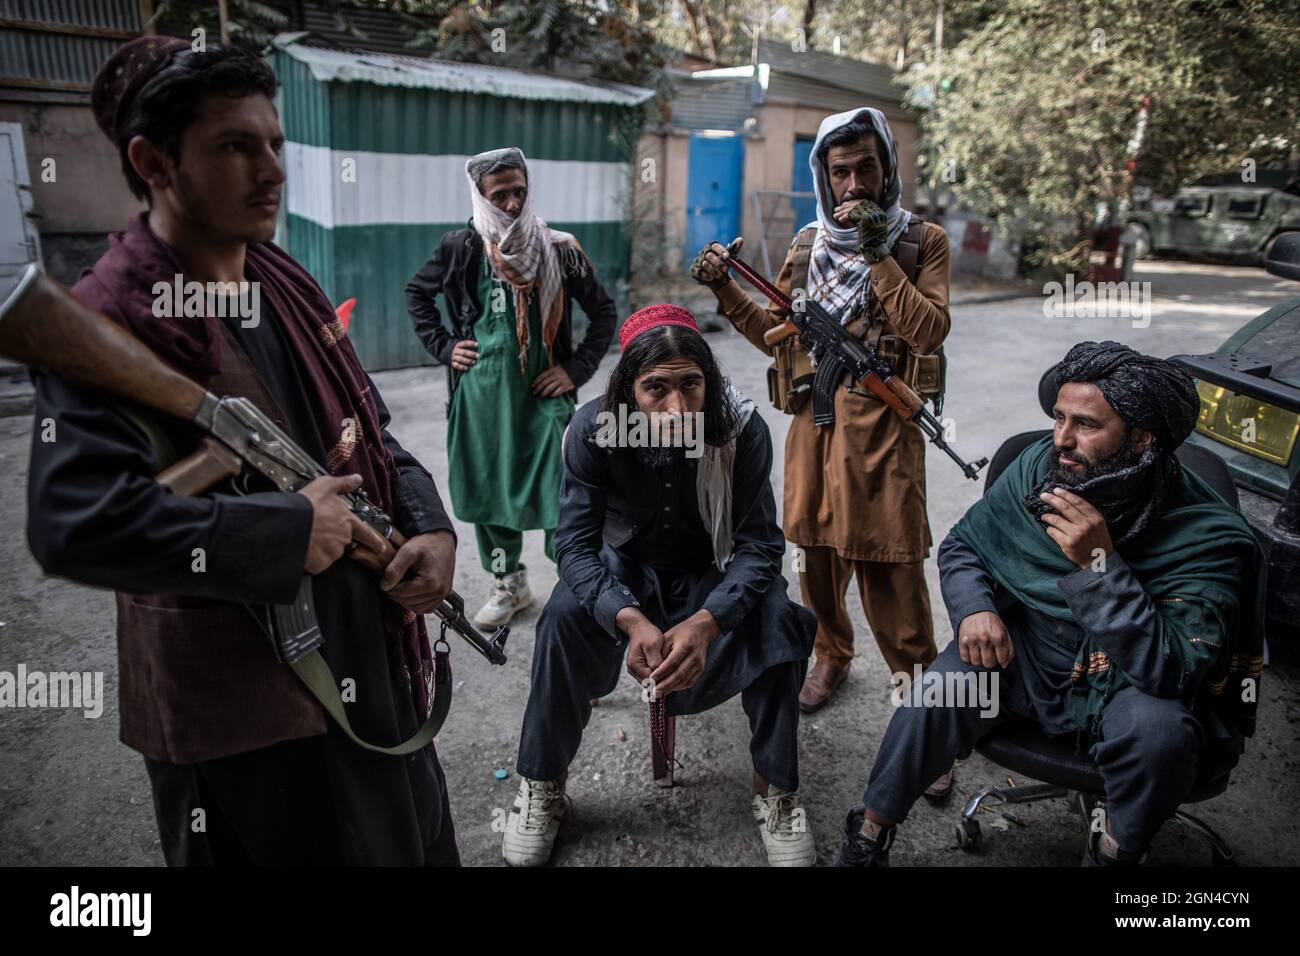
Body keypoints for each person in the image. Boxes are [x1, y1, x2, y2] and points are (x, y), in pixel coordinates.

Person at [26, 37, 461, 865]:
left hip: (369, 659)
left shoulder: (283, 278)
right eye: (234, 147)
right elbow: (72, 524)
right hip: (245, 722)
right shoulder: (106, 319)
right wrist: (282, 532)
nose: (271, 170)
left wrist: (429, 526)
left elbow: (371, 428)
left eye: (274, 145)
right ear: (152, 161)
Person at [835, 342, 1263, 867]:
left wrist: (1099, 564)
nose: (1061, 438)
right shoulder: (1040, 467)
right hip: (1028, 659)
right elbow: (965, 546)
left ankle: (1114, 851)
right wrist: (975, 609)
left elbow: (1169, 668)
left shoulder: (1206, 534)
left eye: (1086, 424)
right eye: (1058, 417)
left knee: (1160, 736)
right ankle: (870, 833)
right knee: (935, 693)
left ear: (1143, 437)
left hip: (1131, 681)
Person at [499, 304, 818, 867]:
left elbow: (760, 545)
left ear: (709, 382)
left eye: (691, 385)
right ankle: (543, 786)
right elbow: (572, 545)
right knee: (560, 619)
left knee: (776, 618)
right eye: (656, 389)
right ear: (628, 389)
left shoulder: (741, 429)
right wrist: (627, 615)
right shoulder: (593, 429)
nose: (676, 407)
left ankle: (778, 791)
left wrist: (707, 621)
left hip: (711, 567)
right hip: (624, 566)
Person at [689, 108, 951, 738]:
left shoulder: (922, 241)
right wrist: (726, 290)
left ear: (887, 169)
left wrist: (881, 258)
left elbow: (929, 330)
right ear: (825, 178)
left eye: (867, 167)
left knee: (892, 564)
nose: (855, 183)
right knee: (817, 557)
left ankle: (921, 701)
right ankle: (831, 655)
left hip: (886, 429)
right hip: (816, 423)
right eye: (841, 172)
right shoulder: (808, 246)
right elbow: (773, 336)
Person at [406, 147, 617, 629]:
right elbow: (416, 293)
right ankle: (510, 585)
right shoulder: (461, 247)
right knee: (488, 492)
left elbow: (603, 313)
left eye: (520, 191)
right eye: (500, 194)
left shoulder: (559, 248)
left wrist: (576, 369)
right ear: (480, 196)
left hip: (545, 400)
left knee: (562, 493)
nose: (513, 204)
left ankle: (576, 587)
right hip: (480, 400)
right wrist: (444, 346)